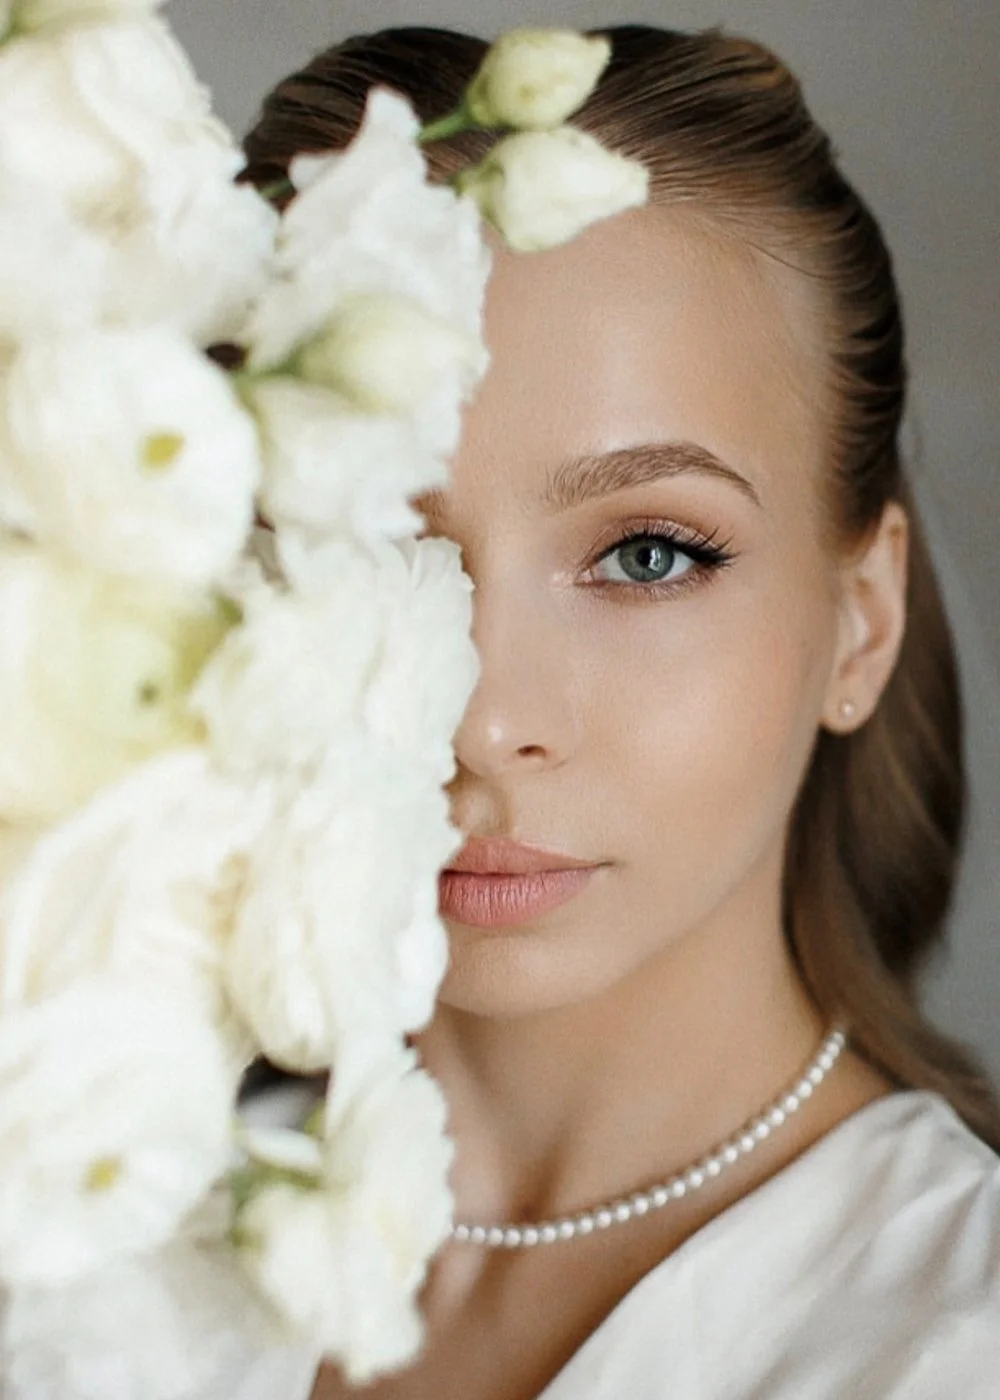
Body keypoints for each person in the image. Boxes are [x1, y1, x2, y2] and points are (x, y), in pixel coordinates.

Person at [235, 23, 1000, 1400]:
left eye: (649, 555)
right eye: (368, 544)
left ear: (864, 619)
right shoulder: (94, 1219)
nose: (481, 719)